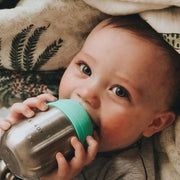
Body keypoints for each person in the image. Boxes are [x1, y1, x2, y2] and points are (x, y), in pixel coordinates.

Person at [0, 14, 179, 180]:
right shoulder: (42, 110)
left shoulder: (126, 172)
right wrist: (8, 132)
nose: (86, 93)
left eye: (119, 91)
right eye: (85, 69)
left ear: (154, 123)